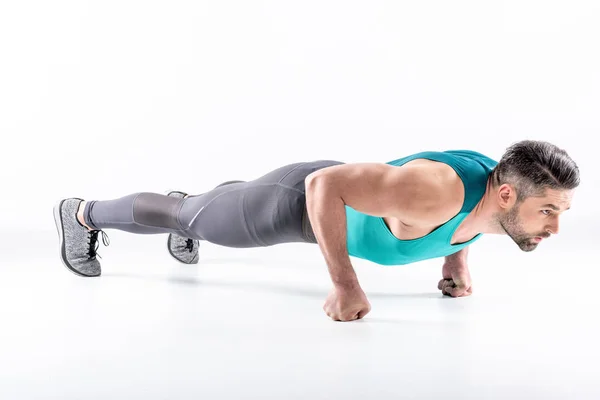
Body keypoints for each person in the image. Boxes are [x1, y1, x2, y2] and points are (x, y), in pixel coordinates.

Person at [53, 139, 580, 322]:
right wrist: (346, 285)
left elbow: (470, 222)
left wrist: (454, 259)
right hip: (295, 205)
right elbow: (326, 186)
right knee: (187, 215)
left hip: (343, 193)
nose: (555, 227)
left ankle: (223, 198)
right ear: (508, 195)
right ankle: (83, 213)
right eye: (549, 212)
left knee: (215, 207)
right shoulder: (433, 192)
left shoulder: (500, 193)